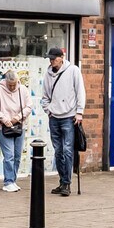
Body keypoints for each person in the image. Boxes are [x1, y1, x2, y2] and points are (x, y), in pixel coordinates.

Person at [40, 46, 86, 196]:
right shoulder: (48, 74)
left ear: (62, 57)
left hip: (69, 117)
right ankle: (62, 181)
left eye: (54, 58)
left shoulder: (73, 70)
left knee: (67, 150)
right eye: (50, 58)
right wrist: (48, 110)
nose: (51, 61)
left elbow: (80, 91)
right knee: (58, 151)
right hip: (54, 117)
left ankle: (67, 183)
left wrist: (79, 112)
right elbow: (45, 95)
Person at [0, 69, 31, 192]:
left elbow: (29, 106)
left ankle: (12, 179)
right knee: (9, 156)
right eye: (10, 85)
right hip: (4, 127)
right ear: (5, 82)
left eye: (14, 84)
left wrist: (18, 117)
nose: (12, 87)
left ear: (18, 81)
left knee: (17, 156)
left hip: (19, 126)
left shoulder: (23, 90)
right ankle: (8, 181)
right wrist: (3, 118)